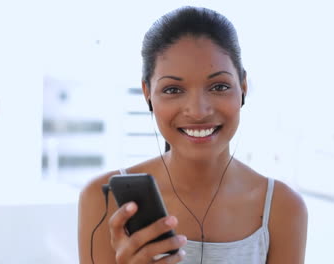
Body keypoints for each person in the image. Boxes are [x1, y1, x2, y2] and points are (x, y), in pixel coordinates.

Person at [78, 6, 308, 264]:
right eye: (173, 89)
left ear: (243, 87)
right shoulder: (103, 201)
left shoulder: (282, 208)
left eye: (219, 86)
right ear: (147, 93)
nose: (198, 112)